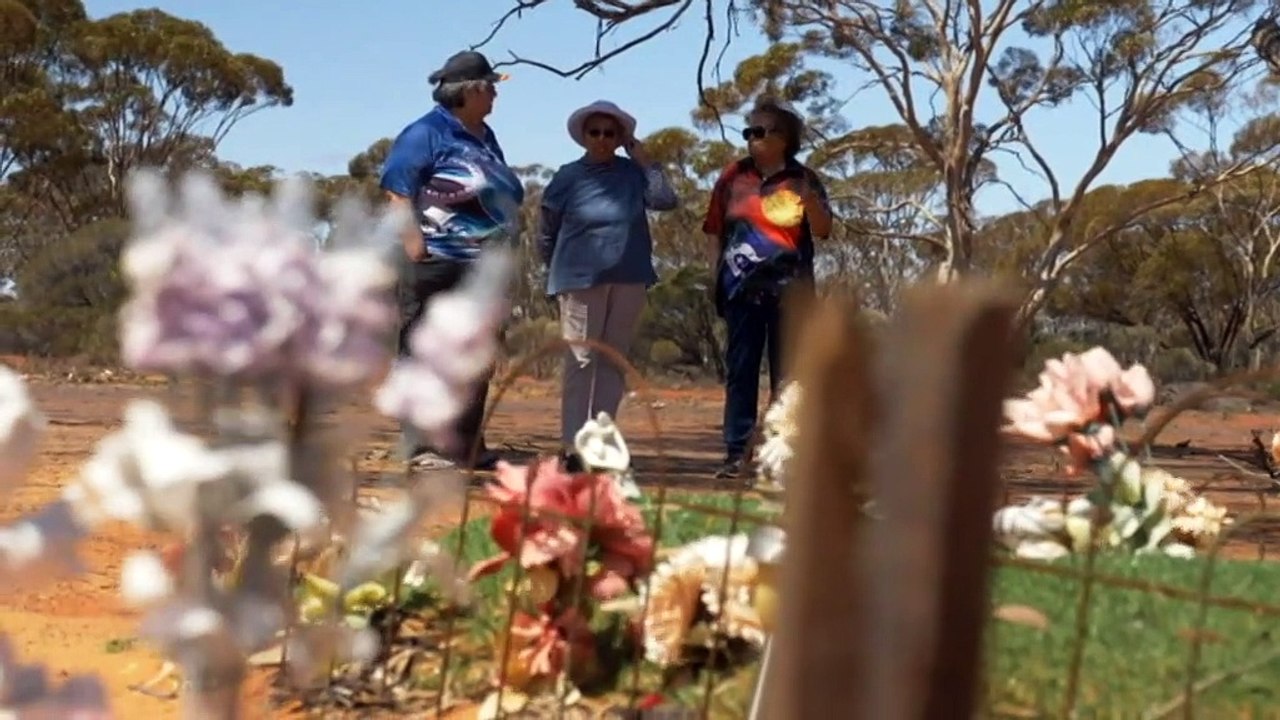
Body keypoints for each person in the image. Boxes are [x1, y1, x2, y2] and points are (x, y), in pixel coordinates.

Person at [379, 50, 525, 471]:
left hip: (481, 264)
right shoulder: (425, 133)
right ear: (473, 91)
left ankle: (465, 444)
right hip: (437, 261)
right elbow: (397, 191)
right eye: (491, 86)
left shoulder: (483, 134)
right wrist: (415, 248)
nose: (496, 93)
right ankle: (422, 446)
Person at [537, 100, 678, 464]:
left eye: (610, 133)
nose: (602, 139)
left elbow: (665, 200)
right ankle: (572, 445)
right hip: (579, 278)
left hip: (630, 276)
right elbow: (546, 231)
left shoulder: (633, 174)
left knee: (613, 361)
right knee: (581, 360)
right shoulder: (568, 176)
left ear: (620, 138)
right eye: (595, 132)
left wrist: (644, 160)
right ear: (583, 136)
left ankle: (599, 445)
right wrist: (556, 273)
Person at [701, 97, 833, 479]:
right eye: (748, 131)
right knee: (740, 372)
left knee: (788, 377)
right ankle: (736, 454)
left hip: (791, 293)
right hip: (741, 289)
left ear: (784, 138)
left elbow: (824, 231)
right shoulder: (732, 177)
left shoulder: (803, 178)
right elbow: (714, 230)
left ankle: (784, 454)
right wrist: (716, 277)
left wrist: (810, 202)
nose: (752, 138)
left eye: (760, 131)